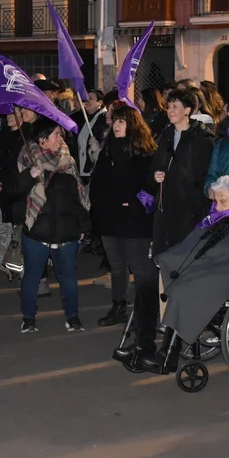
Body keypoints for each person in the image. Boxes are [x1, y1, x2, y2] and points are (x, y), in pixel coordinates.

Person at [141, 174, 229, 372]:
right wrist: (169, 258)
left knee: (183, 289)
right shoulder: (223, 216)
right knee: (154, 282)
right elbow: (196, 247)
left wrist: (199, 263)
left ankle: (170, 353)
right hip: (215, 268)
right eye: (215, 201)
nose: (217, 206)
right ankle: (148, 345)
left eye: (222, 201)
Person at [90, 103, 158, 343]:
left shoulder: (145, 152)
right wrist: (100, 206)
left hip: (135, 221)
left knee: (139, 267)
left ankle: (144, 313)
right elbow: (97, 183)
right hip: (110, 218)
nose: (116, 125)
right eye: (114, 121)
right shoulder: (108, 150)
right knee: (117, 266)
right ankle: (119, 306)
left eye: (121, 121)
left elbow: (151, 186)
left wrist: (133, 204)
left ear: (132, 124)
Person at [15, 118, 90, 333]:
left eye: (61, 134)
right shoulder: (28, 158)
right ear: (42, 139)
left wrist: (83, 226)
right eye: (56, 134)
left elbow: (78, 197)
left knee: (68, 278)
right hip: (37, 232)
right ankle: (28, 318)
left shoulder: (68, 161)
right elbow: (14, 191)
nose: (60, 138)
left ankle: (73, 317)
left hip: (66, 231)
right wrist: (29, 176)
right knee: (32, 277)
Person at [150, 90, 216, 255]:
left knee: (186, 252)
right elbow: (156, 164)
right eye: (168, 106)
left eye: (175, 106)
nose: (170, 111)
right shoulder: (165, 136)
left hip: (189, 205)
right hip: (165, 203)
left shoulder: (202, 138)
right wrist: (156, 174)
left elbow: (203, 172)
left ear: (187, 110)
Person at [72, 90, 108, 181]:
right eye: (86, 99)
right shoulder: (85, 117)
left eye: (90, 99)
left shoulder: (103, 119)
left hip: (93, 170)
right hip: (83, 169)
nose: (87, 101)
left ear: (100, 102)